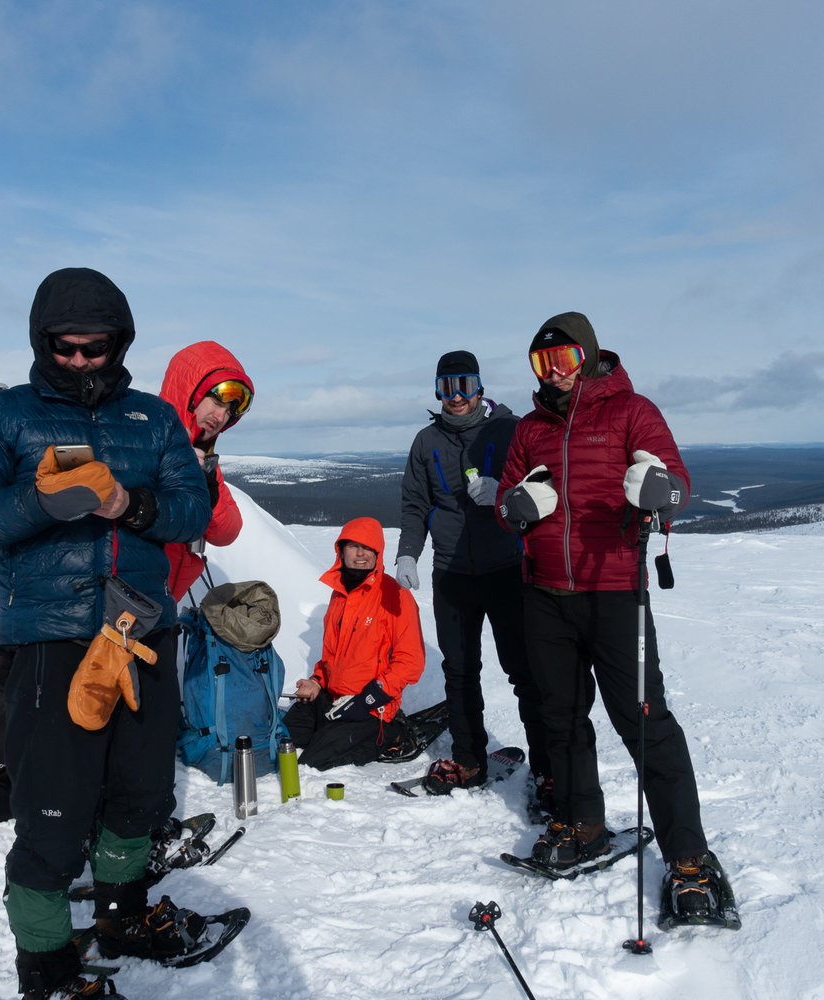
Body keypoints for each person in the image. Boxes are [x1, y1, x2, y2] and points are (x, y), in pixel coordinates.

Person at [0, 267, 213, 1000]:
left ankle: (123, 916)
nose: (80, 363)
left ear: (118, 343)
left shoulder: (154, 420)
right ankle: (49, 968)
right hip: (51, 636)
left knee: (139, 794)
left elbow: (193, 508)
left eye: (96, 350)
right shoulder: (4, 417)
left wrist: (131, 503)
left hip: (142, 628)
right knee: (54, 812)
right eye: (66, 349)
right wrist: (40, 500)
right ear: (42, 341)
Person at [496, 311, 731, 918]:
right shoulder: (529, 428)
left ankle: (689, 859)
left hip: (615, 592)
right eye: (542, 363)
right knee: (563, 720)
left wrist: (656, 489)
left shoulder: (632, 411)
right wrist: (518, 504)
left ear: (590, 356)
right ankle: (583, 824)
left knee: (645, 723)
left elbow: (678, 484)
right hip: (545, 594)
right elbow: (504, 500)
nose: (554, 373)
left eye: (565, 359)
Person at [396, 351, 547, 799]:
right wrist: (408, 553)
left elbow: (543, 485)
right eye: (446, 387)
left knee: (524, 671)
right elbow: (415, 505)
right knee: (460, 671)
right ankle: (468, 760)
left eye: (464, 384)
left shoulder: (511, 429)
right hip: (452, 573)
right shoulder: (426, 441)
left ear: (480, 386)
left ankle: (548, 767)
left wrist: (507, 493)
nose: (456, 396)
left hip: (507, 567)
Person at [283, 517, 426, 770]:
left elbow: (410, 662)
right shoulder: (339, 595)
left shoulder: (395, 595)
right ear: (341, 551)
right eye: (353, 546)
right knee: (284, 740)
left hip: (372, 709)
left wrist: (366, 700)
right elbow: (331, 656)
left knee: (311, 761)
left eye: (368, 547)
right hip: (333, 700)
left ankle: (394, 734)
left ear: (377, 552)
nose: (361, 554)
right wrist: (317, 682)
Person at [157, 341, 254, 604]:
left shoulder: (206, 459)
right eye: (217, 398)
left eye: (231, 410)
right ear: (191, 391)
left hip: (164, 603)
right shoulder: (143, 439)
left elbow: (228, 532)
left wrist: (209, 493)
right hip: (124, 602)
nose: (221, 415)